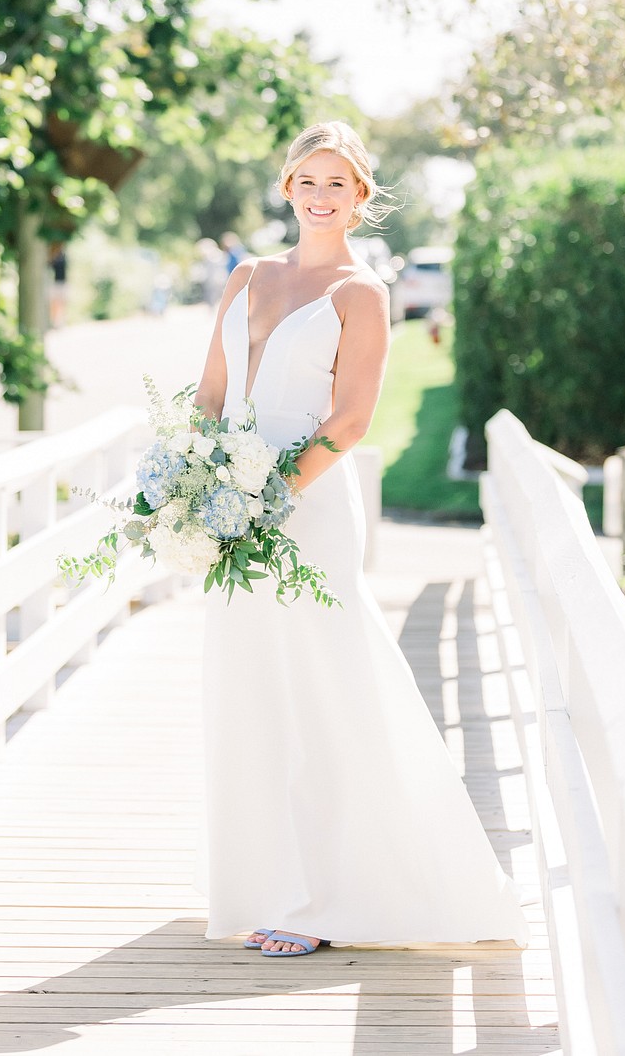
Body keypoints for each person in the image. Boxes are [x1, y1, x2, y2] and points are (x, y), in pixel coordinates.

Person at [193, 120, 530, 956]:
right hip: (228, 511)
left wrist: (266, 494)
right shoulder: (246, 277)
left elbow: (350, 421)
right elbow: (208, 393)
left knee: (326, 686)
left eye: (336, 184)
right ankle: (267, 884)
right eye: (307, 180)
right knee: (251, 689)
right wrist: (195, 485)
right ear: (286, 188)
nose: (319, 195)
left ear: (360, 198)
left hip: (304, 512)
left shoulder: (361, 293)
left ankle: (329, 902)